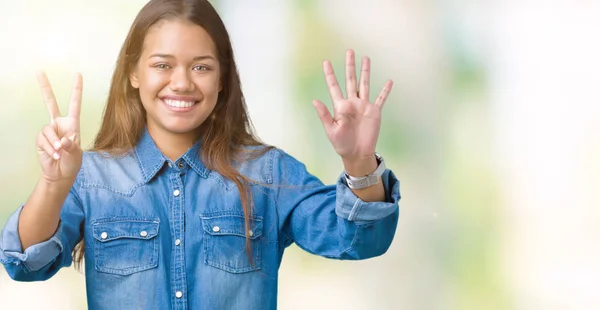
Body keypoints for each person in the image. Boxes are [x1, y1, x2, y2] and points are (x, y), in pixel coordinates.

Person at [0, 0, 400, 309]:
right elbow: (24, 263)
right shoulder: (90, 177)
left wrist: (358, 162)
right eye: (162, 64)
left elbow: (359, 240)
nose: (181, 82)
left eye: (201, 67)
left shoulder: (267, 173)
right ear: (134, 73)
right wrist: (53, 182)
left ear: (222, 77)